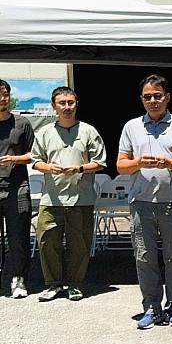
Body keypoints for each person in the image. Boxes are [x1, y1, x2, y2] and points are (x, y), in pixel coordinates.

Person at [118, 74, 172, 329]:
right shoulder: (131, 127)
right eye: (147, 97)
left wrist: (171, 164)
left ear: (167, 97)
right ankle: (151, 307)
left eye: (157, 96)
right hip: (141, 202)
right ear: (141, 99)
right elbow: (121, 165)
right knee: (144, 257)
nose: (153, 101)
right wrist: (138, 162)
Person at [31, 86, 106, 302]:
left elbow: (100, 162)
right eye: (62, 103)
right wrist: (49, 168)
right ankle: (53, 284)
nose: (67, 107)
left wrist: (80, 168)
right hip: (51, 198)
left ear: (76, 104)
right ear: (54, 106)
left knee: (79, 244)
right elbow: (35, 161)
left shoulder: (89, 131)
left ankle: (74, 284)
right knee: (47, 241)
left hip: (81, 198)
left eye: (70, 103)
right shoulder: (45, 133)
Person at [0, 79, 34, 298]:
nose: (2, 99)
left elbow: (35, 155)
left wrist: (14, 158)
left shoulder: (22, 123)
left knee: (19, 236)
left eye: (5, 94)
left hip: (17, 187)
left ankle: (18, 279)